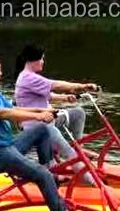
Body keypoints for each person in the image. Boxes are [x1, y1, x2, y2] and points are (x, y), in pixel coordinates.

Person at [0, 53, 91, 211]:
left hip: (8, 146)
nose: (1, 73)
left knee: (42, 130)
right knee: (42, 174)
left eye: (0, 69)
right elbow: (6, 114)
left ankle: (50, 174)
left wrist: (40, 112)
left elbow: (15, 107)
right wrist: (40, 116)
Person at [14, 44, 99, 184]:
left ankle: (77, 148)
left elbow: (48, 94)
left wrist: (65, 98)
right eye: (41, 59)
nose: (43, 62)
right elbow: (56, 85)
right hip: (39, 127)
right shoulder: (27, 78)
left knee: (78, 113)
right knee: (71, 155)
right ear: (34, 60)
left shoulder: (31, 77)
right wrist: (82, 86)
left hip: (50, 119)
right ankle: (94, 185)